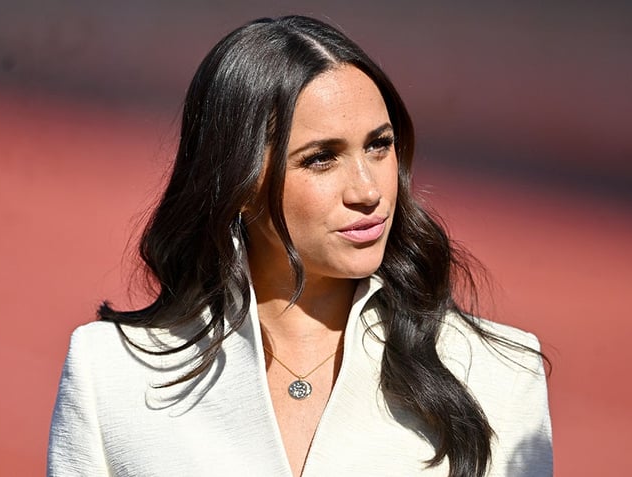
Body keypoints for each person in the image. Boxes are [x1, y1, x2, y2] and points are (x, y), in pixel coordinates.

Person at [47, 15, 552, 477]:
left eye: (379, 145)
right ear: (237, 183)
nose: (368, 190)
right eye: (321, 159)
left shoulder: (500, 374)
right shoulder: (109, 374)